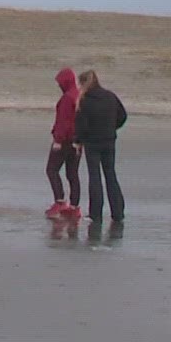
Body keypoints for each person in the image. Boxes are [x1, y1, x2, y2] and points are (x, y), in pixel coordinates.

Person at [74, 69, 128, 226]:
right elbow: (122, 116)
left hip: (92, 143)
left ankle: (96, 213)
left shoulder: (84, 101)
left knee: (95, 177)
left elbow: (81, 125)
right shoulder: (110, 96)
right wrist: (112, 128)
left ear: (84, 83)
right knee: (111, 175)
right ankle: (118, 213)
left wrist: (78, 141)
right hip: (109, 140)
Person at [46, 67, 83, 219]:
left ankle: (59, 201)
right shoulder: (80, 95)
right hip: (77, 141)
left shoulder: (67, 98)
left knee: (52, 170)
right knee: (72, 173)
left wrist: (58, 140)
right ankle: (74, 207)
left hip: (65, 141)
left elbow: (64, 122)